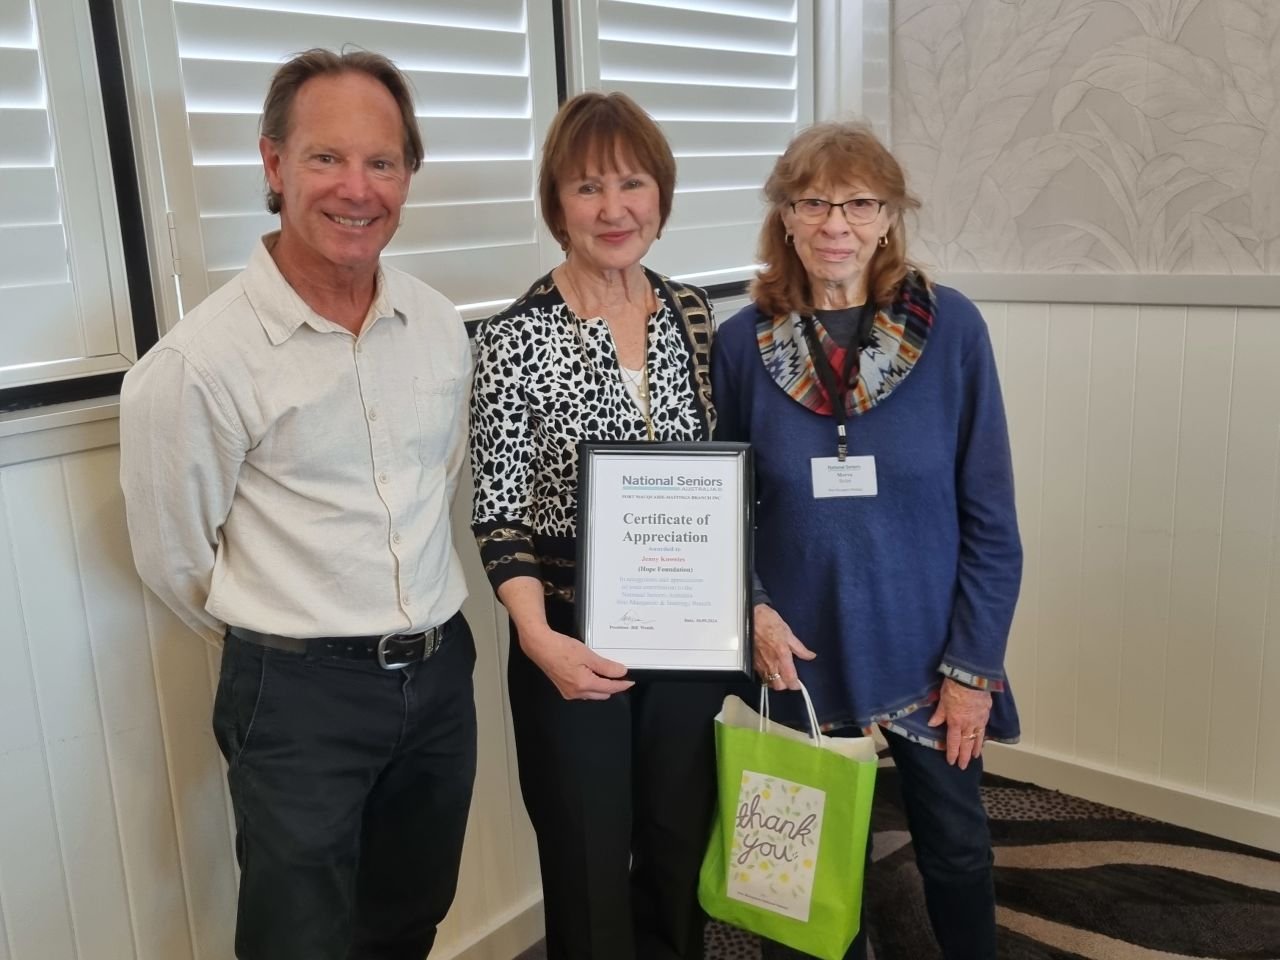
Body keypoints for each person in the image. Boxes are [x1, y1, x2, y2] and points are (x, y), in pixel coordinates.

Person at [119, 49, 475, 960]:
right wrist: (292, 640)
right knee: (298, 941)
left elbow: (435, 481)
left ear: (406, 176)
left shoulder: (437, 325)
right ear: (274, 166)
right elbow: (175, 561)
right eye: (326, 158)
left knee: (408, 918)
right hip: (298, 692)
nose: (357, 189)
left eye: (383, 162)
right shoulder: (200, 365)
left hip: (439, 680)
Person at [711, 121, 1022, 960]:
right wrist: (754, 611)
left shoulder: (949, 328)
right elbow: (722, 506)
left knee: (956, 851)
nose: (834, 224)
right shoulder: (744, 342)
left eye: (858, 203)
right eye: (812, 202)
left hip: (929, 654)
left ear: (890, 217)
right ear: (785, 217)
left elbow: (992, 518)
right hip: (795, 647)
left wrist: (972, 669)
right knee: (797, 865)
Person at [469, 91, 731, 960]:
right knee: (585, 860)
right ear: (556, 207)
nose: (613, 208)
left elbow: (725, 478)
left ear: (660, 195)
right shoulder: (514, 339)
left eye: (632, 183)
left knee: (676, 844)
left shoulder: (694, 316)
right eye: (587, 188)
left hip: (688, 632)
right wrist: (539, 638)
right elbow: (497, 508)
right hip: (568, 637)